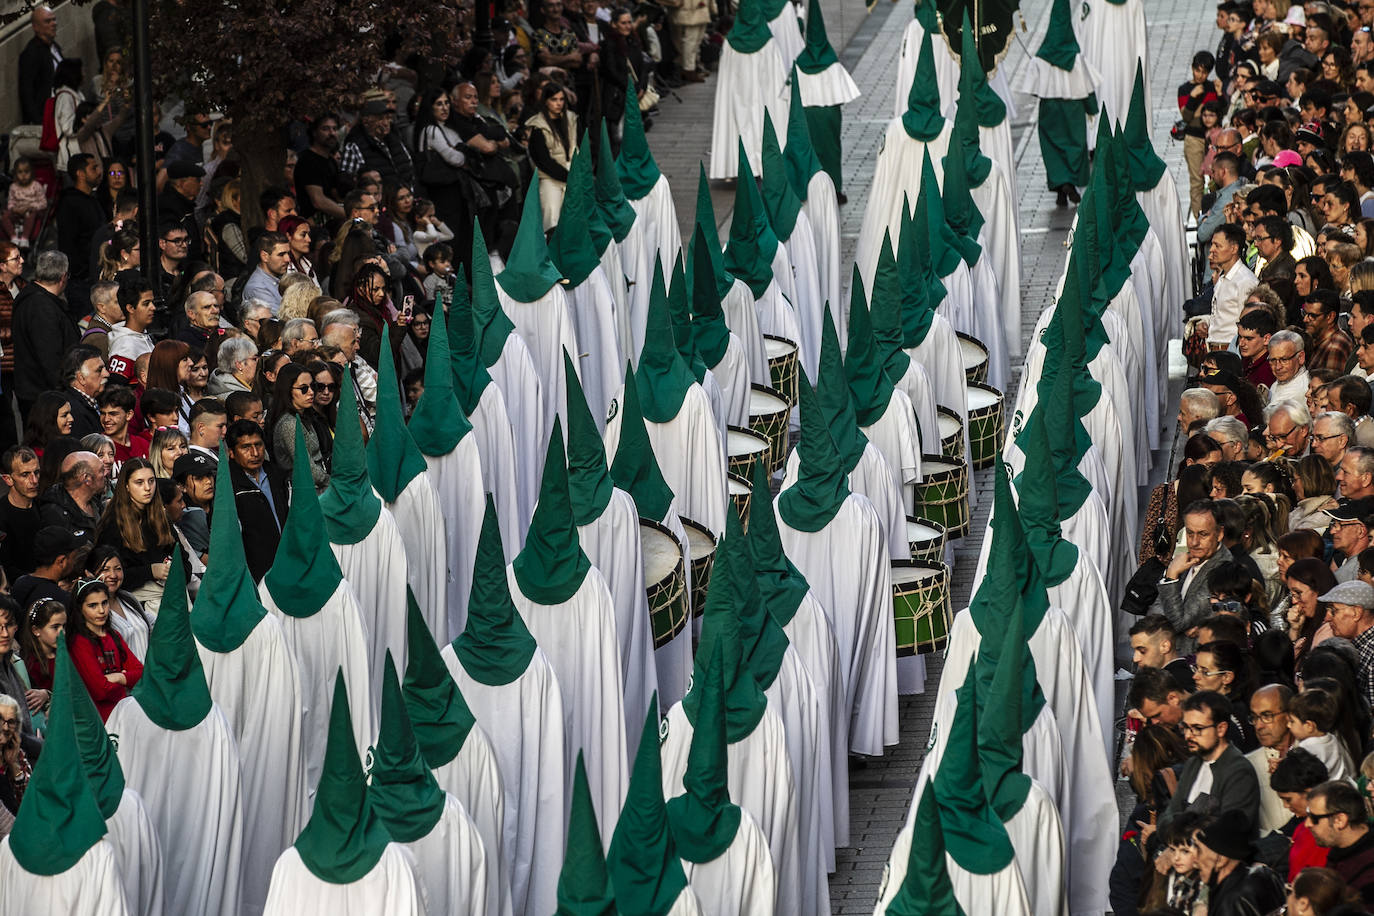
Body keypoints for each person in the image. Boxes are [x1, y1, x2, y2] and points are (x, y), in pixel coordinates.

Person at [1158, 690, 1261, 834]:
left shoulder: (1239, 771)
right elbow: (1166, 818)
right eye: (1186, 727)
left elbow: (1229, 833)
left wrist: (1179, 826)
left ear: (1221, 729)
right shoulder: (1193, 764)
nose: (1188, 735)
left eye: (1197, 729)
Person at [94, 457, 174, 609]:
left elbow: (182, 556)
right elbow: (106, 575)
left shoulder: (161, 517)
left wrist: (173, 567)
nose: (147, 488)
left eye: (151, 481)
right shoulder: (113, 525)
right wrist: (150, 571)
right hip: (134, 600)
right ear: (126, 486)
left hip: (171, 590)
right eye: (139, 482)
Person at [1157, 499, 1237, 646]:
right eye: (1189, 533)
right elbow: (1156, 607)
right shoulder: (1186, 560)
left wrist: (1171, 577)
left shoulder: (1223, 569)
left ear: (1219, 534)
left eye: (1203, 534)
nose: (1194, 542)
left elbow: (1179, 622)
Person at [11, 250, 78, 418]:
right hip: (44, 397)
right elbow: (50, 358)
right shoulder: (42, 306)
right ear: (63, 277)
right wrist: (64, 393)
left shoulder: (33, 298)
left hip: (35, 392)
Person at [64, 575, 141, 720]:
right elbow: (99, 690)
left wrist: (118, 677)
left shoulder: (114, 635)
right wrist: (125, 682)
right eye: (93, 605)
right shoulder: (79, 642)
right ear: (80, 609)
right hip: (98, 719)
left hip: (124, 714)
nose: (101, 610)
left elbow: (140, 673)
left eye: (104, 603)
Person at [1194, 809, 1287, 914]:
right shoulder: (1263, 876)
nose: (1195, 860)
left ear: (1221, 860)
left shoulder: (1231, 902)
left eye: (1199, 851)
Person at [1306, 780, 1374, 903]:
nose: (1307, 824)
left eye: (1314, 818)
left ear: (1340, 820)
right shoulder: (1342, 850)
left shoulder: (1368, 871)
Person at [270, 362, 331, 491]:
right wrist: (332, 482)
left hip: (318, 487)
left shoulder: (305, 416)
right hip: (305, 491)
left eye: (312, 386)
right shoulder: (289, 424)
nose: (311, 392)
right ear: (288, 390)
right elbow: (306, 466)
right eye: (303, 388)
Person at [1248, 683, 1297, 835]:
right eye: (1254, 718)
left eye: (1267, 716)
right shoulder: (1248, 765)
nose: (1258, 725)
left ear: (1289, 715)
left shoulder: (1315, 753)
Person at [1289, 688, 1356, 780]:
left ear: (1309, 726)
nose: (1288, 725)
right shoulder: (1333, 739)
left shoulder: (1306, 750)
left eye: (1292, 721)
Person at [0, 447, 41, 584]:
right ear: (8, 479)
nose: (34, 480)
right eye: (25, 475)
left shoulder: (44, 507)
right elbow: (6, 567)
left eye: (36, 472)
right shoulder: (2, 516)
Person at [17, 6, 62, 125]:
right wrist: (38, 122)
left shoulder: (54, 47)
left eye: (54, 19)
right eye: (48, 21)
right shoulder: (31, 53)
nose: (53, 23)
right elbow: (26, 93)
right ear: (36, 27)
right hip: (46, 118)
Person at [1131, 614, 1195, 690]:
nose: (1135, 659)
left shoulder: (1170, 686)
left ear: (1165, 646)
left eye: (1142, 651)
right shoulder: (1185, 675)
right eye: (1135, 650)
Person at [242, 231, 291, 315]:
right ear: (265, 256)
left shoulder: (280, 276)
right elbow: (282, 318)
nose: (287, 259)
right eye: (281, 254)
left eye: (288, 253)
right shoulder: (257, 288)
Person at [1271, 331, 1315, 406]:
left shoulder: (1295, 393)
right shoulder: (1286, 377)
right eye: (1273, 360)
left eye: (1284, 360)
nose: (1278, 367)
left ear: (1300, 357)